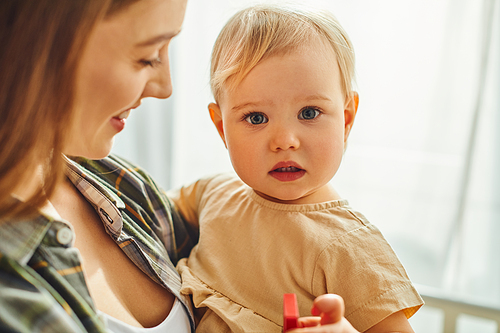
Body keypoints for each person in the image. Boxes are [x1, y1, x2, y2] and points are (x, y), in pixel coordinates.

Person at [0, 0, 360, 332]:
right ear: (39, 45)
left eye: (310, 113)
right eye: (146, 56)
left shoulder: (121, 185)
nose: (165, 87)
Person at [169, 4, 424, 333]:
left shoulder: (350, 248)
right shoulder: (213, 195)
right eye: (256, 118)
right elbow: (142, 210)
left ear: (346, 119)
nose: (285, 141)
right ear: (222, 129)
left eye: (309, 113)